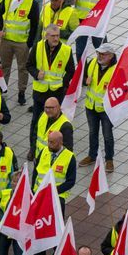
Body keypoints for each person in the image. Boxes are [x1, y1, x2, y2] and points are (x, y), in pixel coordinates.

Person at [28, 25, 75, 156]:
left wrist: (63, 83)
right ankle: (33, 148)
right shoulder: (38, 47)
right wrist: (36, 74)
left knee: (56, 121)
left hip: (56, 93)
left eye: (57, 36)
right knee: (36, 121)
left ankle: (55, 146)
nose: (56, 38)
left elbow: (71, 71)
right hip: (40, 93)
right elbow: (29, 65)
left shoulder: (66, 50)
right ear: (46, 36)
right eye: (53, 36)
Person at [0, 0, 41, 107]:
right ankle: (2, 88)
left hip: (22, 43)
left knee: (22, 68)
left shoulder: (31, 2)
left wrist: (29, 43)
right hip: (6, 40)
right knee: (4, 66)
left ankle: (21, 92)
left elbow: (35, 24)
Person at [82, 43, 118, 172]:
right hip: (90, 106)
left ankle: (109, 159)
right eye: (98, 53)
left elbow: (123, 90)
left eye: (103, 54)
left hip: (106, 110)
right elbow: (83, 77)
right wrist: (85, 79)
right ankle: (92, 156)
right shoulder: (92, 63)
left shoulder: (117, 70)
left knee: (107, 135)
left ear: (110, 56)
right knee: (92, 132)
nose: (100, 56)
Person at [33, 129, 76, 205]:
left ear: (60, 143)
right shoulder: (44, 151)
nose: (49, 144)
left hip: (57, 196)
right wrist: (32, 189)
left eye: (52, 142)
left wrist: (54, 190)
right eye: (49, 141)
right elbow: (35, 171)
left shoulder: (69, 157)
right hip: (39, 192)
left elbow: (71, 181)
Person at [34, 95, 74, 164]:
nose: (48, 110)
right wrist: (32, 150)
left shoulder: (65, 125)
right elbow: (34, 134)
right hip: (39, 158)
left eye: (51, 108)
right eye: (46, 107)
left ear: (59, 108)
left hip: (52, 163)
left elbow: (67, 150)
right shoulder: (42, 115)